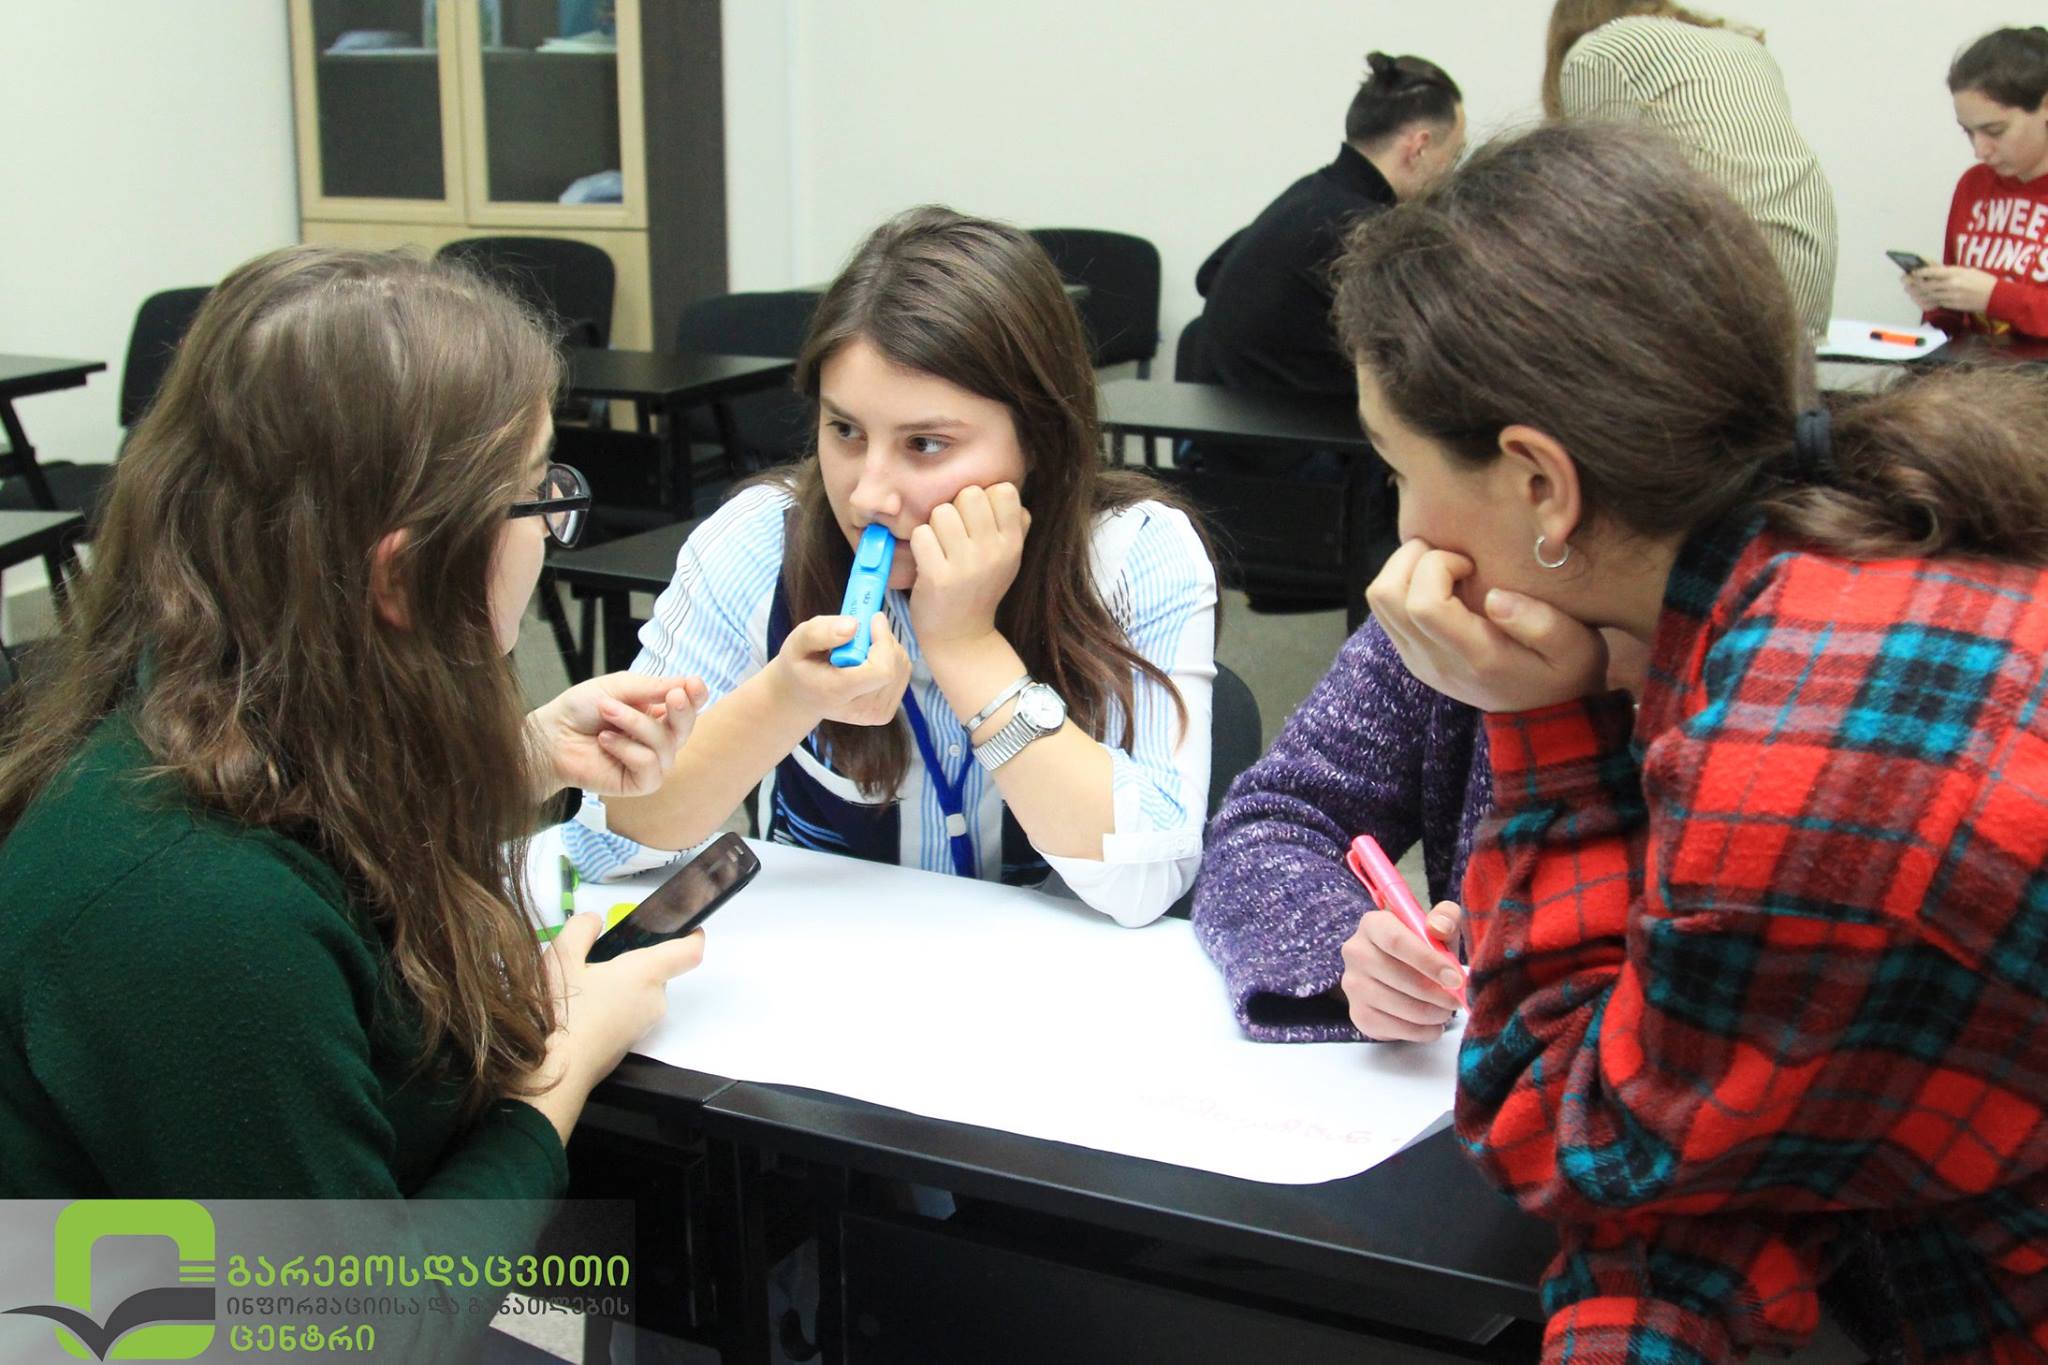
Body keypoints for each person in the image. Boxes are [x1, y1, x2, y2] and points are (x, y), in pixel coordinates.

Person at [1338, 122, 2048, 1362]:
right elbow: (1717, 1153)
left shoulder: (1815, 742)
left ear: (1540, 484)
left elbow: (1571, 1136)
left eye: (1396, 469)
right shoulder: (1821, 571)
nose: (1399, 530)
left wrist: (1540, 735)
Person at [0, 248, 710, 1210]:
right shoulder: (196, 911)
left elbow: (303, 810)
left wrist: (519, 757)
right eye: (533, 491)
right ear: (401, 574)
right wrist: (560, 1069)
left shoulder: (195, 695)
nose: (548, 525)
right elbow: (345, 1294)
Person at [566, 208, 1219, 928]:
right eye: (845, 430)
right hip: (817, 968)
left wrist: (969, 648)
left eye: (926, 445)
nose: (869, 495)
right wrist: (784, 698)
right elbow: (604, 844)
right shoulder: (759, 541)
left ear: (1038, 440)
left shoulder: (1136, 554)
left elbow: (1149, 880)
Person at [1543, 0, 1838, 339]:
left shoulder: (1596, 52)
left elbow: (1601, 213)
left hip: (1730, 273)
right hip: (1807, 273)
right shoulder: (1740, 46)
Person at [1190, 51, 1465, 400]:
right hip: (1290, 428)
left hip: (1226, 417)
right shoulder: (1367, 226)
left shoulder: (1309, 193)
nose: (1452, 173)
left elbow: (1210, 274)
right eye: (1455, 155)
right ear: (1420, 147)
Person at [1906, 26, 2048, 340]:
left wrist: (1995, 297)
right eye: (1968, 132)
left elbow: (1993, 300)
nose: (1980, 150)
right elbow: (1956, 327)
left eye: (1995, 131)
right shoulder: (1974, 185)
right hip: (1977, 366)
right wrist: (1941, 302)